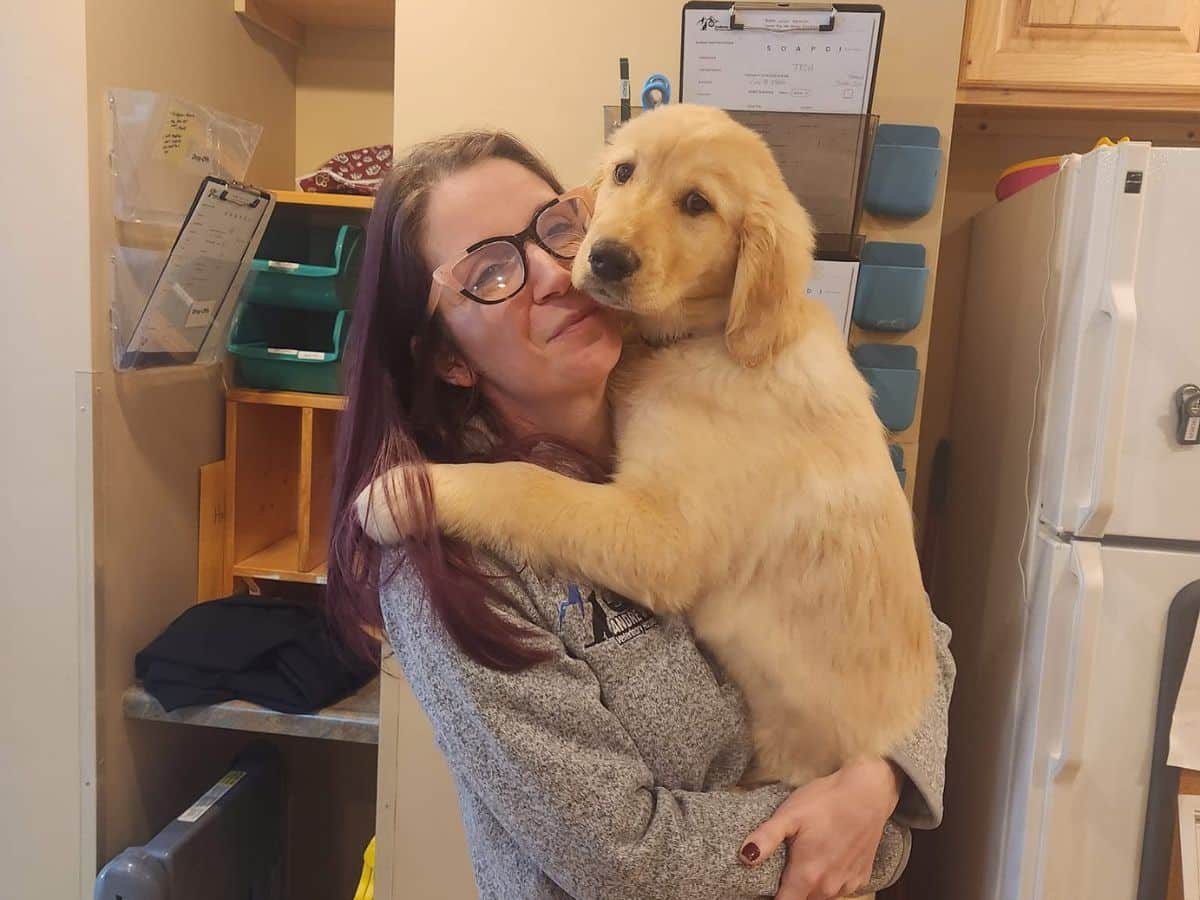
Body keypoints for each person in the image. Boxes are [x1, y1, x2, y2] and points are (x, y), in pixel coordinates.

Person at [326, 129, 955, 900]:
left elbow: (908, 622)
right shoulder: (449, 561)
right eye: (491, 270)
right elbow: (624, 859)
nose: (560, 272)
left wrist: (881, 776)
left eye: (555, 227)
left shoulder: (706, 390)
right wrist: (843, 832)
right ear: (446, 357)